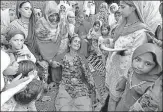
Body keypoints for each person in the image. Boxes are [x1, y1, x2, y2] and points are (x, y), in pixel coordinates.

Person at [102, 1, 158, 111]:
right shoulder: (122, 25)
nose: (119, 10)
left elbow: (136, 58)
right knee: (111, 98)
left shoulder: (140, 32)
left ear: (133, 8)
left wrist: (125, 79)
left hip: (124, 73)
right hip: (114, 68)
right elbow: (116, 43)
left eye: (122, 7)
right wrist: (107, 44)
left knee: (117, 102)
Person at [115, 43, 162, 111]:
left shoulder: (152, 86)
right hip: (122, 104)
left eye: (148, 64)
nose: (140, 66)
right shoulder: (132, 70)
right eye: (137, 59)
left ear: (156, 67)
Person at [55, 35, 94, 111]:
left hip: (79, 85)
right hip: (65, 85)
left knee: (85, 108)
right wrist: (52, 63)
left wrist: (91, 83)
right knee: (64, 109)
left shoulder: (81, 57)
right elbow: (53, 63)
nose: (77, 44)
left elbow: (88, 71)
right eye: (75, 41)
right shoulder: (62, 56)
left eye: (79, 42)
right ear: (69, 44)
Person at [34, 1, 66, 87]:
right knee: (47, 63)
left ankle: (57, 79)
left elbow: (62, 35)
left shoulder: (59, 22)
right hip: (43, 49)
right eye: (51, 15)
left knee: (60, 58)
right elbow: (39, 40)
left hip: (57, 47)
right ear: (46, 14)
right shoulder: (41, 23)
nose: (54, 18)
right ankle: (46, 83)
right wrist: (49, 59)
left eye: (56, 15)